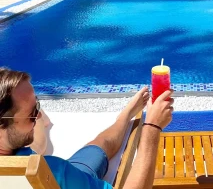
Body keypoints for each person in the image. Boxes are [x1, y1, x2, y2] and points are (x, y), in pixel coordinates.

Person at [0, 67, 174, 189]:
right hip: (72, 179)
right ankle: (125, 117)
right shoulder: (51, 171)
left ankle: (124, 116)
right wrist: (152, 126)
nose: (37, 116)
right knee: (101, 145)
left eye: (38, 106)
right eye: (32, 114)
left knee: (100, 144)